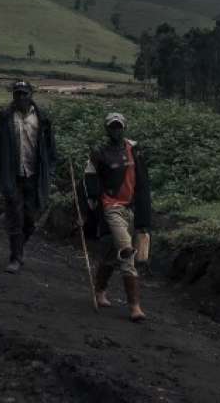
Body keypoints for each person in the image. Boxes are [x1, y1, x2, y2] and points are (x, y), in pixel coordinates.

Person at [83, 111, 153, 321]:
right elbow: (89, 178)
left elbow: (143, 183)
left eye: (119, 126)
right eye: (112, 127)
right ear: (107, 129)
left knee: (110, 254)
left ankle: (100, 291)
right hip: (111, 207)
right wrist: (93, 202)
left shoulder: (134, 149)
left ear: (124, 127)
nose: (116, 130)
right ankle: (135, 307)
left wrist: (143, 218)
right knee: (126, 251)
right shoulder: (100, 153)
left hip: (130, 209)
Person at [0, 80, 56, 273]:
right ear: (13, 96)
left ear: (31, 95)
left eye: (24, 94)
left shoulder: (42, 118)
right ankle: (15, 257)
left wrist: (50, 171)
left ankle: (19, 248)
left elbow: (50, 149)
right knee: (15, 216)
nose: (21, 97)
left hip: (34, 176)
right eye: (17, 94)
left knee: (30, 219)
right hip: (12, 174)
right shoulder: (5, 116)